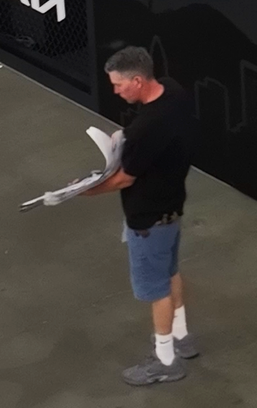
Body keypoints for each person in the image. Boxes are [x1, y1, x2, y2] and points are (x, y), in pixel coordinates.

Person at [84, 46, 200, 386]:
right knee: (170, 271)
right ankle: (181, 337)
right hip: (172, 208)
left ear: (137, 80)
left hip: (147, 220)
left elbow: (124, 178)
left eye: (120, 85)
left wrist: (86, 190)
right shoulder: (173, 92)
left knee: (155, 289)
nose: (116, 91)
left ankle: (166, 360)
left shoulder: (147, 127)